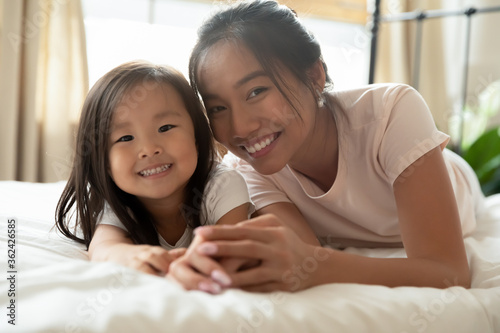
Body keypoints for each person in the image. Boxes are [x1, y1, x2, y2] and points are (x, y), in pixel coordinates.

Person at [171, 0, 486, 293]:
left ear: (314, 75)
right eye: (217, 108)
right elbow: (309, 257)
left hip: (459, 186)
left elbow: (448, 273)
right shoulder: (248, 169)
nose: (240, 128)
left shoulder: (391, 112)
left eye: (256, 91)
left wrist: (314, 267)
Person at [55, 61, 255, 293]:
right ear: (104, 163)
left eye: (165, 127)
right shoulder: (119, 201)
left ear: (197, 137)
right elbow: (103, 249)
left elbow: (234, 250)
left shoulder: (223, 184)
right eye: (125, 138)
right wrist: (133, 255)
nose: (149, 149)